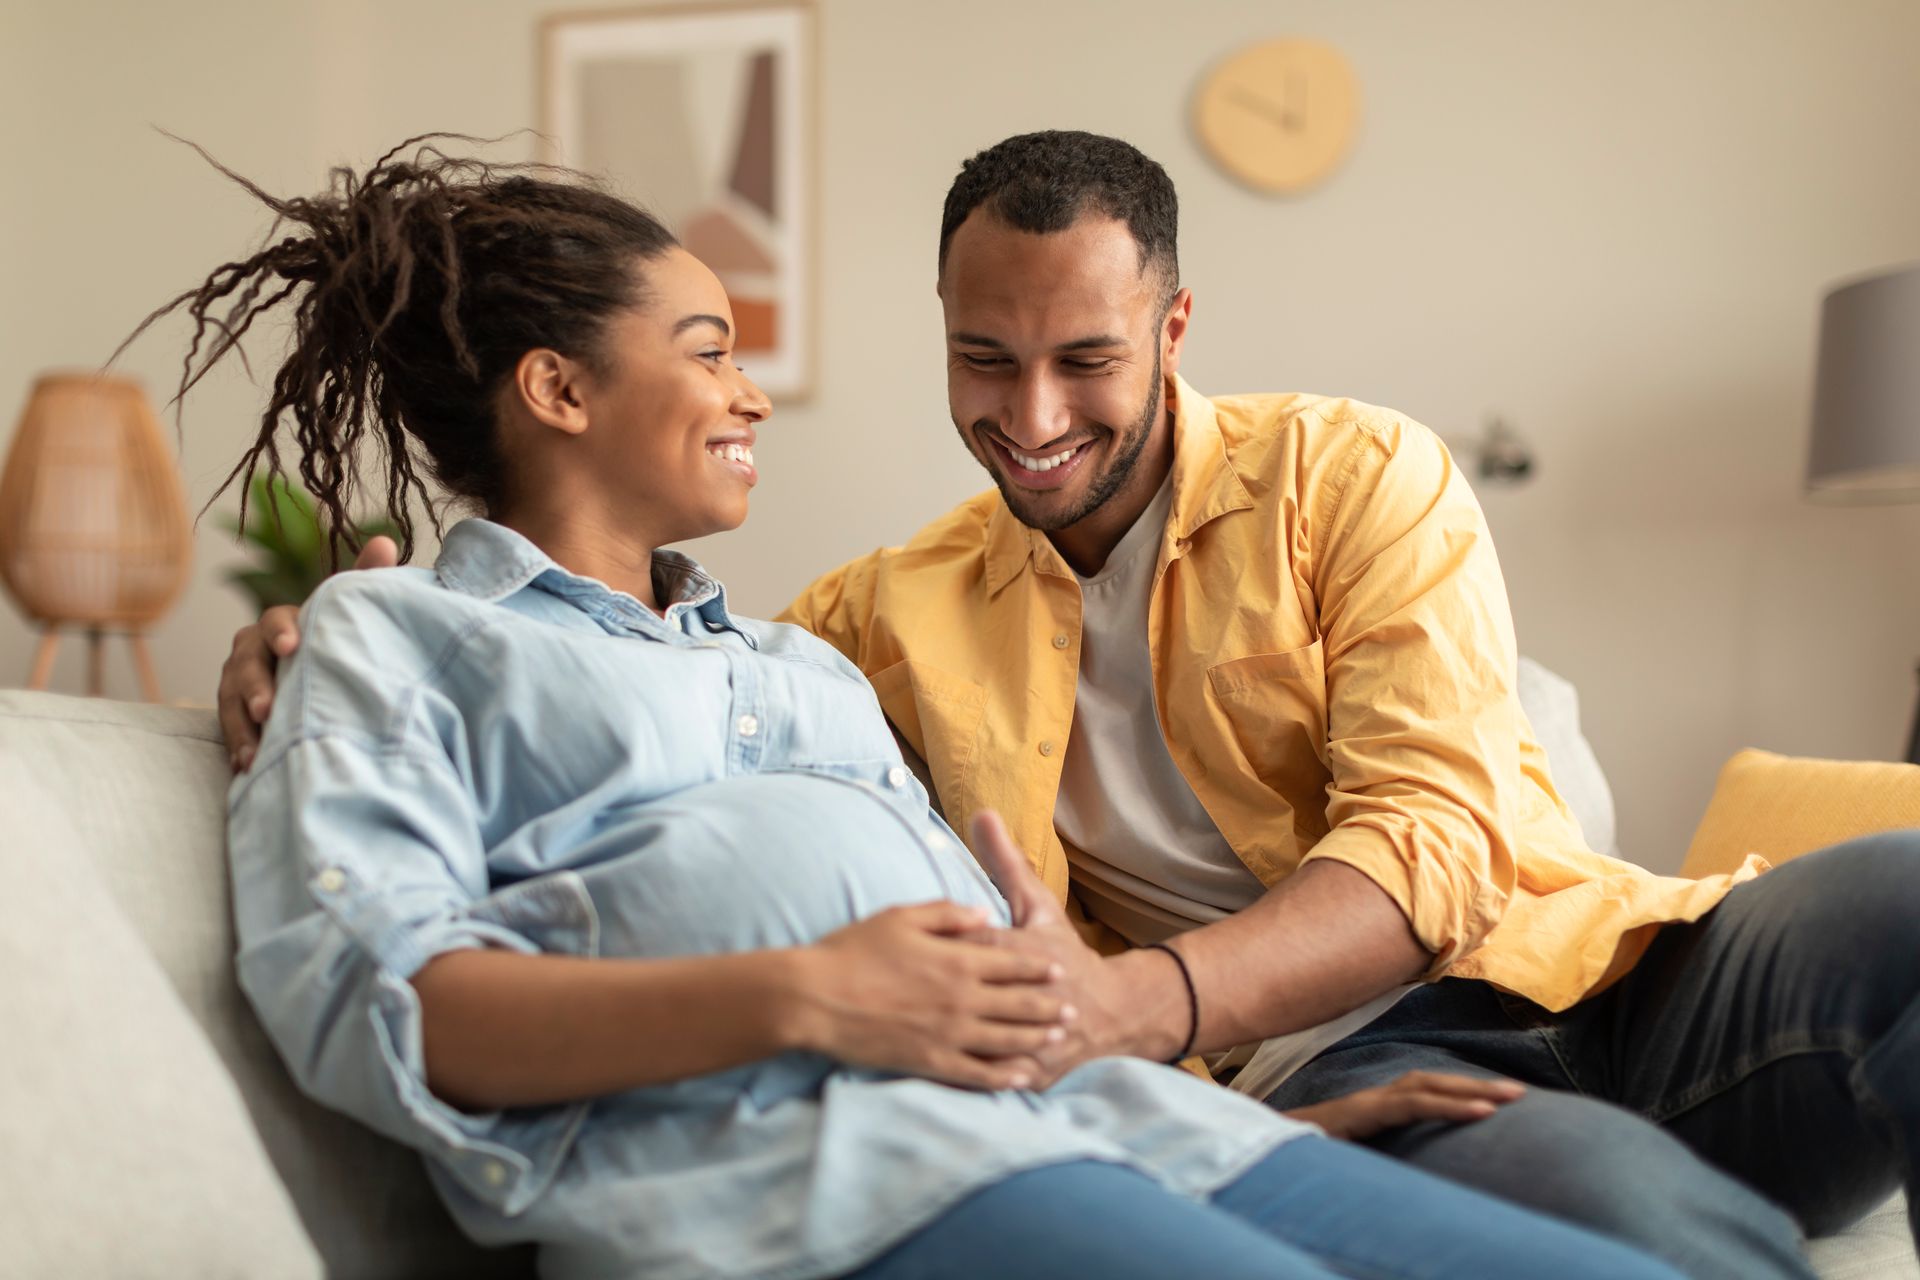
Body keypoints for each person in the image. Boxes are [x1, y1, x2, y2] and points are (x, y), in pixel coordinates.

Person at [216, 131, 1920, 1280]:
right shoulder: (854, 627)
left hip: (1563, 972)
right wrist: (307, 638)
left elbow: (1429, 849)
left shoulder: (1347, 473)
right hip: (1218, 1096)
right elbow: (481, 811)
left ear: (1172, 329)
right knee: (1650, 1241)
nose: (1028, 410)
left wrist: (1140, 1027)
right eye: (982, 359)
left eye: (1084, 359)